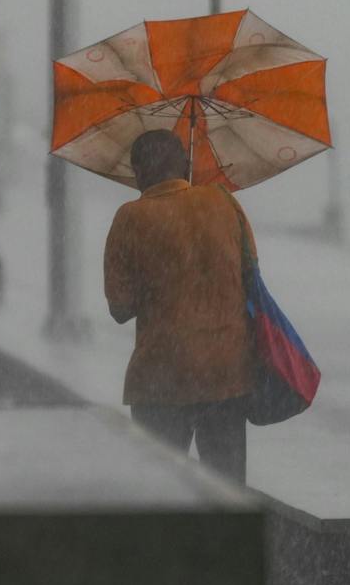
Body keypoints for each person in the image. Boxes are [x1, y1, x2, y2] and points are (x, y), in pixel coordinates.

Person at [103, 129, 256, 486]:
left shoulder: (130, 217)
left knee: (161, 490)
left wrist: (160, 279)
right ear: (186, 165)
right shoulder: (224, 202)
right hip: (225, 373)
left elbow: (120, 308)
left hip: (161, 377)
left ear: (138, 172)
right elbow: (250, 276)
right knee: (227, 490)